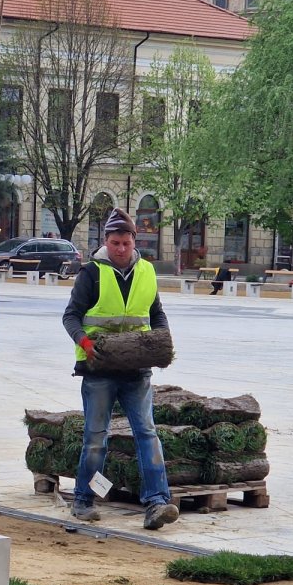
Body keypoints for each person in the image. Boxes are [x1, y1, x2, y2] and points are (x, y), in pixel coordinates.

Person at [61, 208, 179, 531]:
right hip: (98, 369)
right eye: (115, 243)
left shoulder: (147, 273)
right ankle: (83, 500)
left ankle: (157, 502)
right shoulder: (91, 273)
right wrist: (84, 342)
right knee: (96, 437)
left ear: (134, 241)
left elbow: (156, 314)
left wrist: (163, 341)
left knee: (147, 432)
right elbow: (70, 316)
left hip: (136, 370)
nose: (121, 249)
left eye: (126, 243)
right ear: (106, 242)